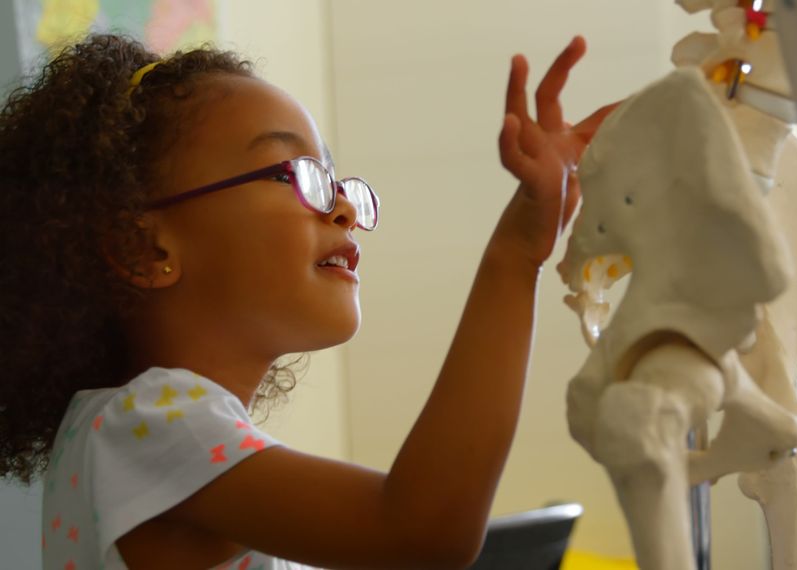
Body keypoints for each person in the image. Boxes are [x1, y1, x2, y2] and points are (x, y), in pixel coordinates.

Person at [0, 33, 613, 569]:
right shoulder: (140, 426)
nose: (343, 207)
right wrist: (515, 257)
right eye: (293, 173)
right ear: (142, 247)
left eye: (335, 179)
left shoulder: (138, 433)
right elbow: (422, 527)